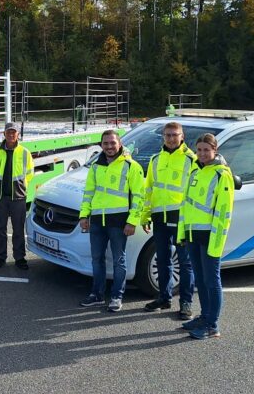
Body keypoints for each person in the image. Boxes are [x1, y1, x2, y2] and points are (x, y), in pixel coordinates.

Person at [78, 130, 145, 312]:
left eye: (112, 143)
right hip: (98, 221)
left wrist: (132, 221)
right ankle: (97, 295)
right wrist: (84, 215)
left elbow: (139, 197)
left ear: (120, 143)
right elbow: (89, 193)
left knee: (118, 260)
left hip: (119, 222)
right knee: (97, 259)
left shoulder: (131, 166)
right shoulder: (96, 166)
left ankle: (117, 296)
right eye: (105, 143)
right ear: (101, 145)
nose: (109, 146)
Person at [178, 133, 235, 340]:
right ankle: (204, 316)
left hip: (210, 236)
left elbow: (224, 214)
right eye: (199, 149)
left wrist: (216, 242)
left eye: (206, 150)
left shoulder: (222, 174)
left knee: (212, 280)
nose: (202, 154)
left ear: (215, 150)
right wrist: (182, 233)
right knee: (200, 280)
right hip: (193, 234)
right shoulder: (194, 171)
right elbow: (186, 205)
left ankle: (212, 325)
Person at [140, 121, 196, 319]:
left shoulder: (192, 160)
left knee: (185, 262)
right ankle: (164, 298)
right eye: (168, 135)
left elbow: (196, 193)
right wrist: (145, 215)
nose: (171, 138)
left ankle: (186, 303)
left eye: (175, 135)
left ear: (182, 136)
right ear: (163, 137)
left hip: (181, 217)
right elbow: (149, 190)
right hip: (159, 216)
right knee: (163, 259)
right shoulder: (156, 159)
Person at [0, 122, 34, 271]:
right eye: (8, 132)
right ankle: (1, 257)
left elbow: (29, 174)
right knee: (0, 229)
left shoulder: (25, 152)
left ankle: (20, 258)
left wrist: (22, 187)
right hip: (0, 197)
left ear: (17, 134)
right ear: (4, 134)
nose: (11, 135)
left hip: (18, 197)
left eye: (13, 132)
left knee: (18, 230)